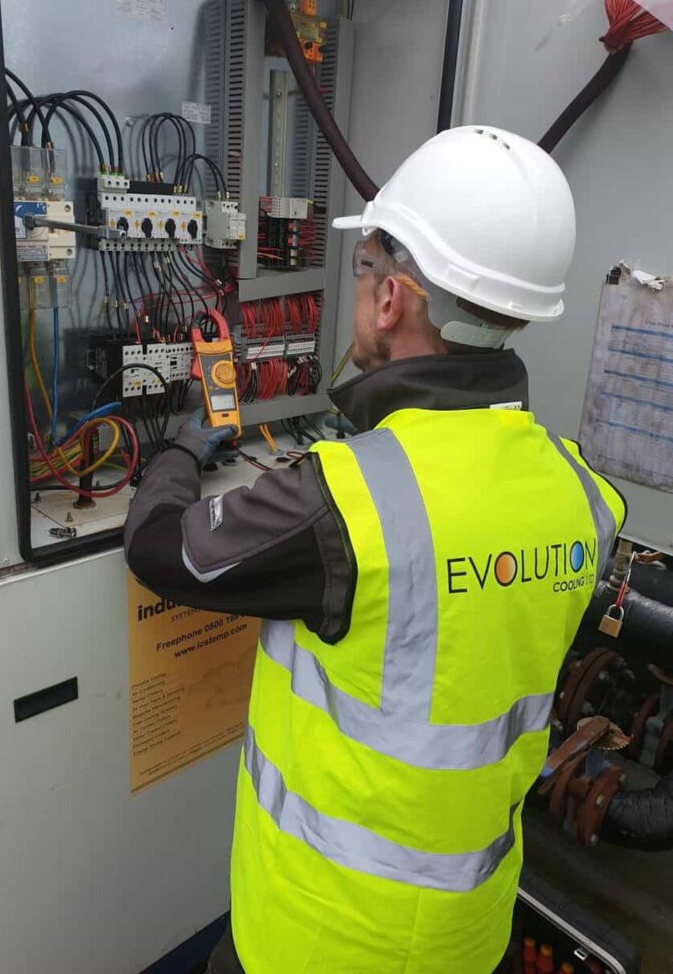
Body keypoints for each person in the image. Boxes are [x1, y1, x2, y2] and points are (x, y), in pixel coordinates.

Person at [124, 126, 625, 974]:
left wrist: (179, 451)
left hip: (319, 937)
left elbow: (163, 551)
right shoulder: (587, 496)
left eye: (363, 274)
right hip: (471, 936)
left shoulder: (346, 498)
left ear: (391, 299)